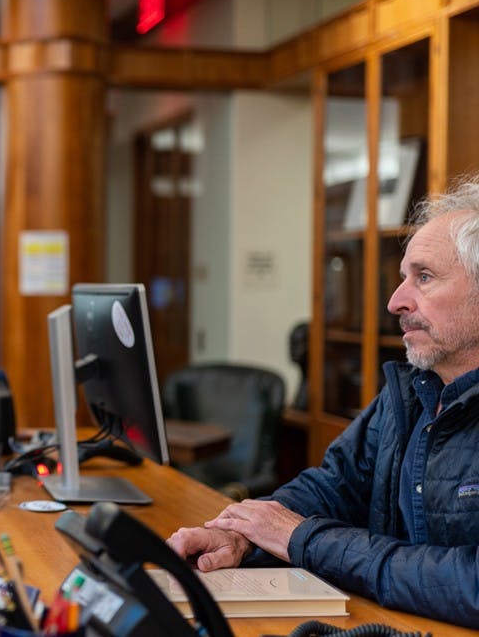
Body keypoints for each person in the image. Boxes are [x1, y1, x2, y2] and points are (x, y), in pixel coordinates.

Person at [167, 176, 479, 629]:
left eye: (424, 277)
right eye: (403, 278)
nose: (395, 301)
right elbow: (332, 488)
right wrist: (238, 536)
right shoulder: (410, 394)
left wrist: (301, 538)